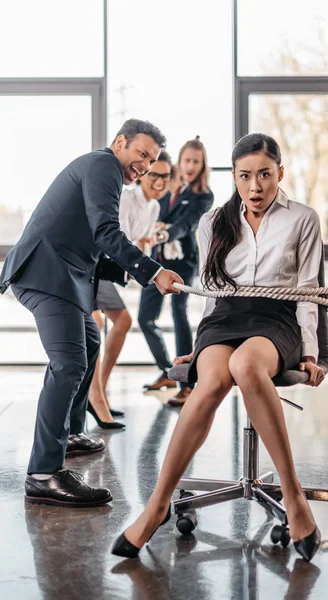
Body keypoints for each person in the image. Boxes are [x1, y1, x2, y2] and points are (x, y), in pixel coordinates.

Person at [112, 133, 324, 561]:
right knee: (209, 381)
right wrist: (196, 346)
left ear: (279, 174)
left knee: (246, 366)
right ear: (234, 177)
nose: (255, 186)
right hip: (224, 317)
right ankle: (156, 507)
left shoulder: (303, 218)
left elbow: (306, 291)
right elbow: (210, 291)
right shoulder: (214, 222)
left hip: (275, 319)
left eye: (265, 175)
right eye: (245, 176)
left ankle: (294, 496)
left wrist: (311, 350)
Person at [0, 119, 183, 508]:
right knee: (68, 364)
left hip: (64, 276)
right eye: (141, 154)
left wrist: (138, 272)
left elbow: (93, 240)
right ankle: (43, 474)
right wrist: (152, 271)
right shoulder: (103, 167)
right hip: (44, 273)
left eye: (151, 159)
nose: (145, 165)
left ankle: (72, 433)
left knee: (91, 340)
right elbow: (105, 232)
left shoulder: (105, 169)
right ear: (120, 143)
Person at [88, 151, 173, 427]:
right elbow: (116, 242)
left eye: (165, 176)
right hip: (95, 265)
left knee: (121, 322)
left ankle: (97, 391)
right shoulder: (126, 199)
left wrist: (145, 244)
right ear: (144, 176)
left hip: (113, 271)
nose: (160, 181)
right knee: (99, 323)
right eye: (155, 174)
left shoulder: (155, 208)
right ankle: (95, 396)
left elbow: (138, 244)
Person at [140, 137, 214, 406]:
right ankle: (167, 372)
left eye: (196, 161)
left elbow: (186, 225)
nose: (191, 166)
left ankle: (186, 384)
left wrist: (165, 233)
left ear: (202, 164)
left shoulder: (203, 195)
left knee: (179, 314)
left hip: (183, 264)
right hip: (157, 263)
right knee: (145, 319)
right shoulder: (165, 188)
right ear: (178, 163)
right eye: (187, 160)